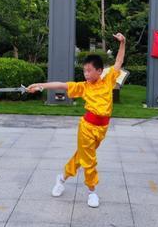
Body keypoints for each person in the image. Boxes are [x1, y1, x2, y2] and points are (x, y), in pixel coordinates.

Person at [27, 33, 126, 208]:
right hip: (87, 127)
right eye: (84, 70)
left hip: (102, 129)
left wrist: (123, 43)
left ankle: (62, 177)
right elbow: (62, 85)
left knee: (81, 157)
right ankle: (92, 192)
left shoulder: (108, 81)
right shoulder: (83, 87)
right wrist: (40, 85)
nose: (86, 74)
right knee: (89, 160)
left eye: (89, 70)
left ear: (99, 71)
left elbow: (118, 62)